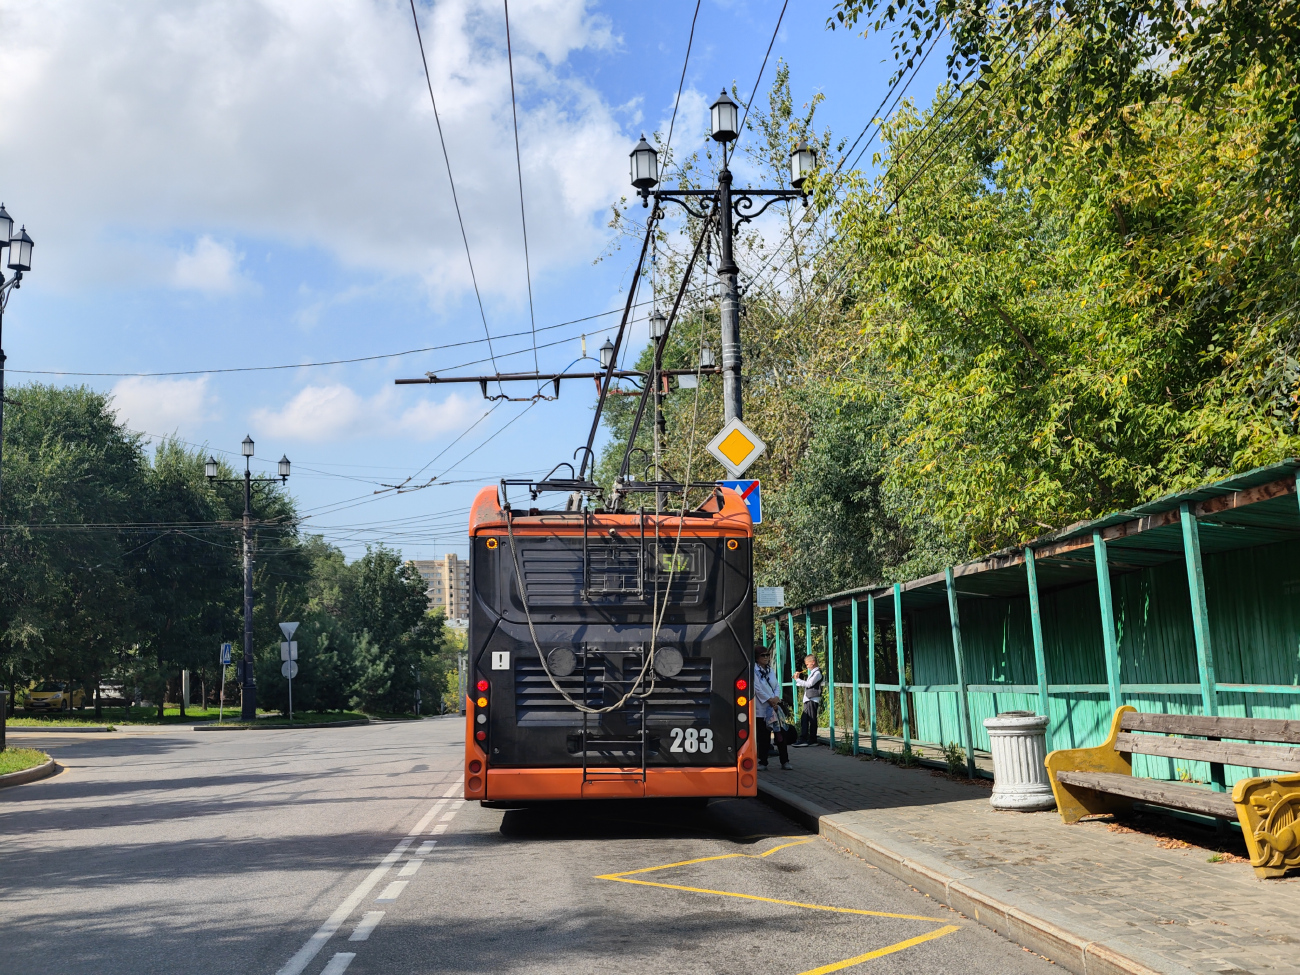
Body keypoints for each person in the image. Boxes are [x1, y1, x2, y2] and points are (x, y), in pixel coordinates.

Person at [751, 646, 790, 770]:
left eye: (767, 655)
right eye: (763, 655)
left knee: (780, 735)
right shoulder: (753, 671)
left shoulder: (770, 670)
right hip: (762, 709)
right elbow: (757, 689)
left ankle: (785, 761)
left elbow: (776, 685)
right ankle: (763, 762)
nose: (766, 657)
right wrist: (770, 700)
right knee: (764, 737)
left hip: (775, 708)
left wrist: (776, 698)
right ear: (757, 657)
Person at [792, 654, 823, 747]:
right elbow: (806, 684)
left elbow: (809, 684)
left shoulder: (817, 673)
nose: (806, 666)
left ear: (813, 663)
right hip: (809, 699)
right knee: (806, 719)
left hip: (812, 699)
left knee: (809, 719)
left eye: (807, 664)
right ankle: (811, 739)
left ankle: (805, 739)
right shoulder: (813, 673)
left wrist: (798, 679)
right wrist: (797, 680)